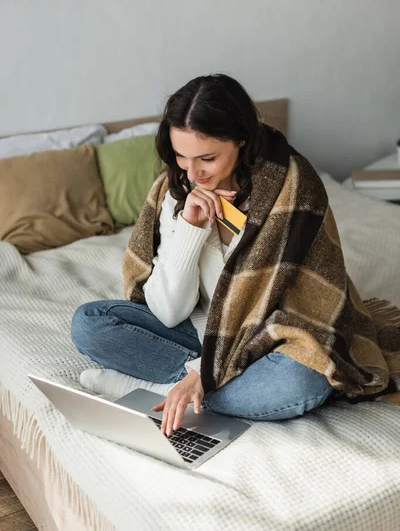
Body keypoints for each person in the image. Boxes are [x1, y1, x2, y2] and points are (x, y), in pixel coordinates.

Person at [71, 73, 356, 437]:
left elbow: (297, 315)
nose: (193, 172)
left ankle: (154, 392)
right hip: (197, 330)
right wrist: (190, 227)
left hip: (264, 338)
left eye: (207, 158)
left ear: (241, 139)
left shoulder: (294, 192)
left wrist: (200, 375)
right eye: (180, 156)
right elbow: (169, 313)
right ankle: (192, 391)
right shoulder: (176, 189)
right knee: (90, 322)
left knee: (305, 381)